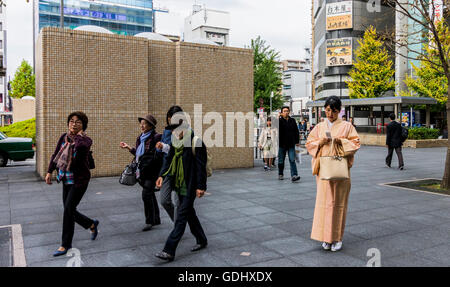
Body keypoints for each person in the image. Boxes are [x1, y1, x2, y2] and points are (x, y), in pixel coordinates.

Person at [305, 96, 360, 252]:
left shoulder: (347, 126)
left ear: (339, 111)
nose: (330, 114)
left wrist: (339, 141)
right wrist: (320, 142)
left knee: (338, 204)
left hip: (339, 170)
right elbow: (309, 143)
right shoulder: (319, 127)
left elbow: (356, 143)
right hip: (323, 170)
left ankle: (337, 238)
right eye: (328, 110)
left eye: (334, 111)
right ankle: (325, 238)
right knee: (324, 204)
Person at [45, 111, 99, 257]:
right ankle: (91, 224)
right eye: (71, 121)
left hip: (79, 181)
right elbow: (55, 154)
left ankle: (65, 244)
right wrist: (49, 171)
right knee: (69, 210)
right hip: (65, 178)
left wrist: (79, 135)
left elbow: (81, 148)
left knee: (68, 211)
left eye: (78, 122)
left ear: (83, 125)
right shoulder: (64, 137)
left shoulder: (86, 140)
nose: (74, 124)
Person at [154, 117, 208, 262]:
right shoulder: (175, 142)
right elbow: (169, 160)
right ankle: (202, 239)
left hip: (190, 185)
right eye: (172, 130)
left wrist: (201, 186)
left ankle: (169, 250)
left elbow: (200, 167)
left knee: (181, 216)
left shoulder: (196, 143)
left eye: (175, 130)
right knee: (189, 213)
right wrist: (161, 176)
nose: (173, 133)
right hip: (179, 183)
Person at [120, 115, 162, 231]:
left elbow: (157, 156)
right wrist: (129, 148)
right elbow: (139, 155)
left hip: (152, 171)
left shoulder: (157, 137)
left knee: (146, 194)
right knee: (150, 194)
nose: (142, 126)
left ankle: (149, 221)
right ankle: (156, 219)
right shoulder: (140, 138)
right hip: (142, 171)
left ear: (151, 126)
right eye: (141, 123)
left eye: (145, 123)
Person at [155, 106, 183, 223]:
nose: (171, 120)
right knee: (164, 200)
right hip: (167, 169)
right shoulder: (167, 131)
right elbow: (165, 152)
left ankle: (177, 229)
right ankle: (178, 223)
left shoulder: (184, 131)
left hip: (181, 170)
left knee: (178, 203)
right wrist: (160, 147)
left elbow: (177, 148)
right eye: (170, 117)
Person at [278, 106, 301, 182]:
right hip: (282, 144)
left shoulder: (292, 120)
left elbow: (296, 131)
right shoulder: (279, 121)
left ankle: (294, 175)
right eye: (284, 111)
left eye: (287, 111)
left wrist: (297, 142)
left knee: (292, 160)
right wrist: (278, 118)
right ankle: (280, 173)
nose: (286, 112)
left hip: (291, 144)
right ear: (281, 112)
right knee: (281, 160)